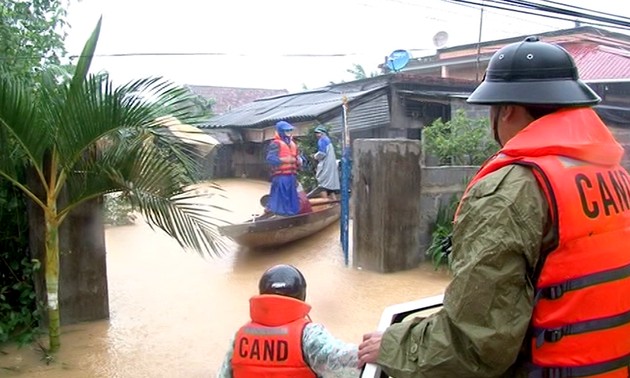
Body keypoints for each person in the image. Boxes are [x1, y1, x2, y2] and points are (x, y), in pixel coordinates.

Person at [358, 36, 630, 377]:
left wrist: (397, 344)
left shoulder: (511, 191)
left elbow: (477, 344)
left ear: (508, 111)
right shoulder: (614, 175)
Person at [218, 264, 360, 377]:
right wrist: (378, 348)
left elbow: (223, 374)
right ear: (301, 295)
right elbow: (342, 362)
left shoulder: (240, 336)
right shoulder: (309, 335)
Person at [266, 121, 301, 216]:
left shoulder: (293, 144)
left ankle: (292, 215)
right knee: (280, 198)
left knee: (292, 197)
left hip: (292, 176)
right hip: (281, 177)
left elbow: (298, 157)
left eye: (290, 130)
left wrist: (300, 160)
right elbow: (270, 159)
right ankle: (278, 215)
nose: (289, 132)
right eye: (286, 130)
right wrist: (283, 160)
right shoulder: (275, 144)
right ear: (281, 131)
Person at [312, 126, 340, 200]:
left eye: (318, 133)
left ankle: (325, 203)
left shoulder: (322, 140)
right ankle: (335, 202)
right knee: (330, 187)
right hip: (330, 165)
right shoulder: (328, 140)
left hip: (325, 166)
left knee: (322, 186)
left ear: (322, 133)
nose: (317, 135)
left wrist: (314, 156)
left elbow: (322, 154)